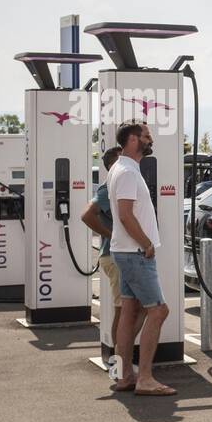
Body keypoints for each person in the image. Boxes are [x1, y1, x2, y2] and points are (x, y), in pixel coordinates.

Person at [107, 122, 175, 396]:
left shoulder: (123, 170)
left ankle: (125, 376)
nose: (151, 140)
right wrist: (146, 243)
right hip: (135, 253)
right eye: (147, 136)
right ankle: (145, 378)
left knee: (129, 312)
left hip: (125, 251)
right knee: (159, 311)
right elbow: (125, 215)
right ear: (133, 140)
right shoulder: (126, 173)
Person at [81, 147, 145, 376]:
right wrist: (110, 234)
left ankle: (121, 360)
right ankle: (119, 364)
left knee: (138, 308)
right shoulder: (109, 187)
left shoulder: (122, 185)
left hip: (123, 256)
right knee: (127, 311)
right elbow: (87, 214)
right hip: (114, 257)